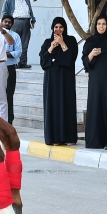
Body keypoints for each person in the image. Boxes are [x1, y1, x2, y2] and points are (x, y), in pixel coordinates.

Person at [83, 15, 107, 150]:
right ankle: (95, 141)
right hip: (96, 83)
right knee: (96, 109)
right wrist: (91, 55)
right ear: (95, 26)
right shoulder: (90, 42)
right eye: (99, 24)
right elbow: (85, 61)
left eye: (104, 24)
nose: (101, 26)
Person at [39, 17, 78, 145]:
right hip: (51, 80)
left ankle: (68, 137)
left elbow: (70, 60)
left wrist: (62, 44)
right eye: (56, 27)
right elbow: (43, 62)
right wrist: (51, 48)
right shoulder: (47, 42)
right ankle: (54, 138)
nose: (58, 29)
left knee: (67, 105)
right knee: (52, 106)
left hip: (66, 80)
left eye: (61, 27)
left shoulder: (71, 41)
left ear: (64, 28)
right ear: (52, 28)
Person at [2, 0, 35, 68]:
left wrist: (33, 20)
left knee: (25, 43)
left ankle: (23, 62)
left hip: (26, 22)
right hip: (15, 21)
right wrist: (6, 23)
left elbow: (30, 10)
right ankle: (15, 62)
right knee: (14, 42)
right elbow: (4, 11)